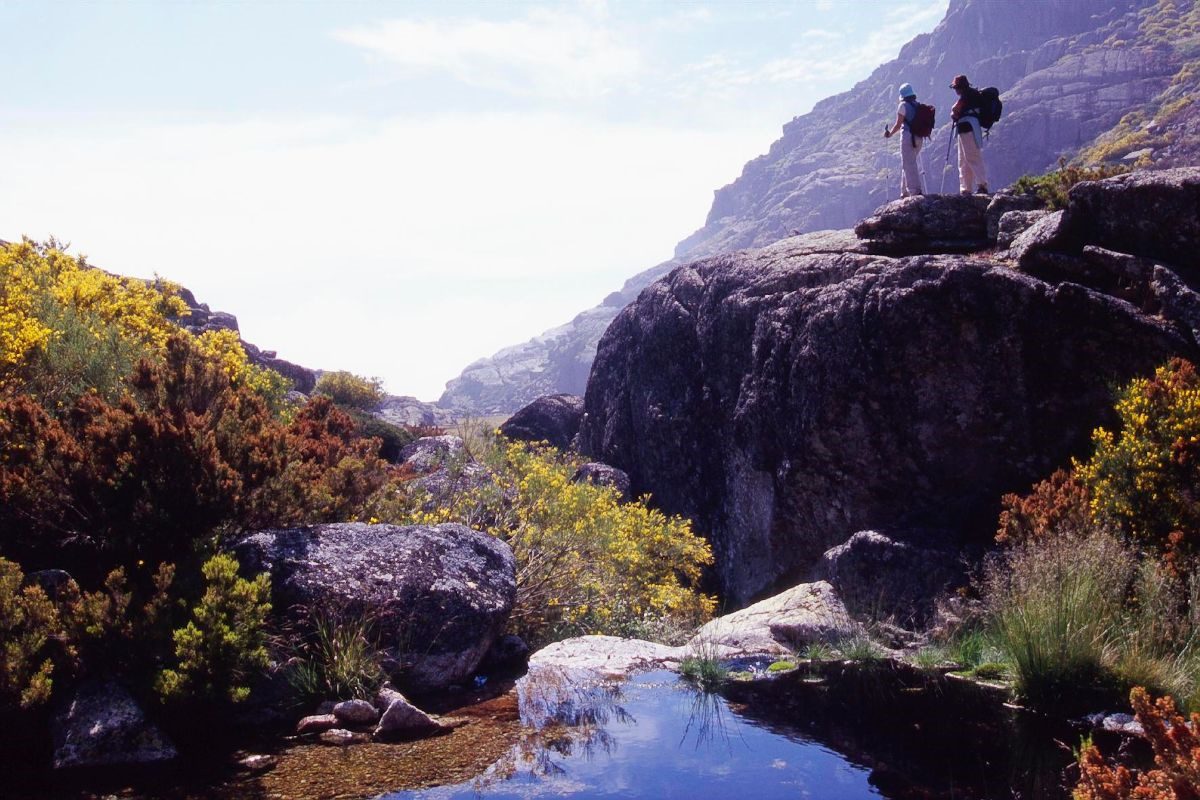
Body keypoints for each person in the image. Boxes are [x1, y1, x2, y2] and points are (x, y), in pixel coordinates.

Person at [950, 74, 989, 195]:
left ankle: (981, 185)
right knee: (964, 159)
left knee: (971, 157)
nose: (955, 90)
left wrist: (953, 114)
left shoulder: (966, 96)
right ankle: (966, 188)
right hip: (968, 128)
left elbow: (955, 110)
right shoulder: (972, 94)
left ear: (961, 87)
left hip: (967, 129)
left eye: (956, 87)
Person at [883, 82, 924, 197]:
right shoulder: (918, 105)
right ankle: (904, 192)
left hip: (907, 137)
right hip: (919, 137)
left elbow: (898, 124)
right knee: (908, 163)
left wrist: (889, 134)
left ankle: (915, 191)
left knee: (908, 163)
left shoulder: (903, 106)